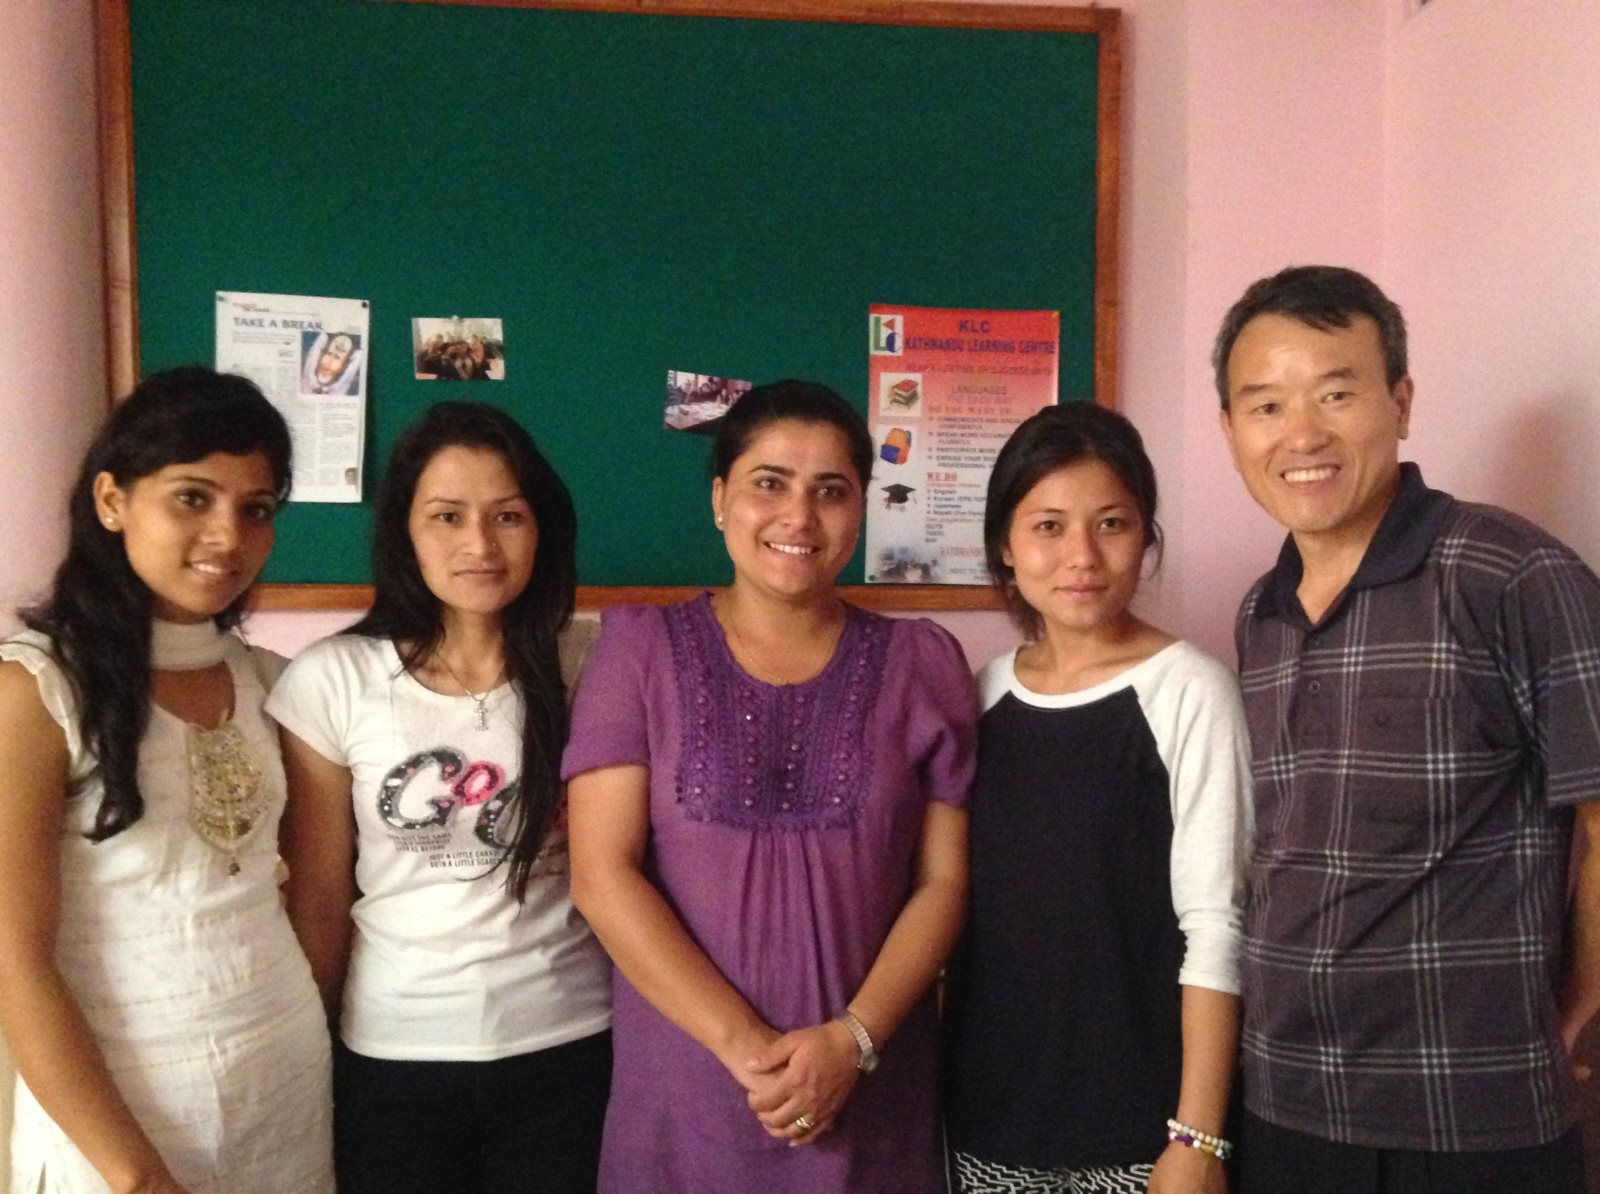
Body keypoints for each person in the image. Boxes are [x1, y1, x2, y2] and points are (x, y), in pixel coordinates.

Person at [1214, 265, 1600, 1193]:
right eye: (1265, 406)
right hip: (1285, 1102)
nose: (1301, 434)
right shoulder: (1261, 611)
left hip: (1470, 1114)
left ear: (1401, 401)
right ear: (1230, 430)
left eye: (1335, 394)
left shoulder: (1510, 575)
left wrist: (1586, 1004)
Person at [562, 380, 976, 1193]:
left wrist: (852, 1043)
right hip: (687, 1097)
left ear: (861, 510)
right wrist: (752, 1053)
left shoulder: (922, 663)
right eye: (769, 483)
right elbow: (602, 876)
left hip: (870, 1095)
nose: (799, 516)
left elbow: (943, 881)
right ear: (721, 499)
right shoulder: (638, 651)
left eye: (831, 491)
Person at [0, 366, 333, 1193]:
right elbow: (14, 963)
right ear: (112, 500)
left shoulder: (269, 681)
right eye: (192, 497)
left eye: (256, 509)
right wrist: (134, 1177)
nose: (228, 535)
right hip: (121, 1122)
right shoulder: (36, 690)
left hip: (285, 1092)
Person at [267, 401, 612, 1194]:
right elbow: (319, 897)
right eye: (447, 516)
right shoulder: (333, 679)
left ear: (543, 528)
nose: (479, 544)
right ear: (405, 532)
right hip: (397, 1051)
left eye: (507, 516)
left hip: (568, 1042)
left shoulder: (595, 662)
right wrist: (313, 1046)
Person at [942, 403, 1253, 1194]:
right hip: (987, 1121)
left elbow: (1217, 923)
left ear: (1145, 537)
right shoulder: (979, 695)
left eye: (1111, 524)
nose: (1081, 555)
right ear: (1005, 545)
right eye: (1048, 526)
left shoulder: (1191, 691)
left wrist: (1198, 1138)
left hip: (1143, 1133)